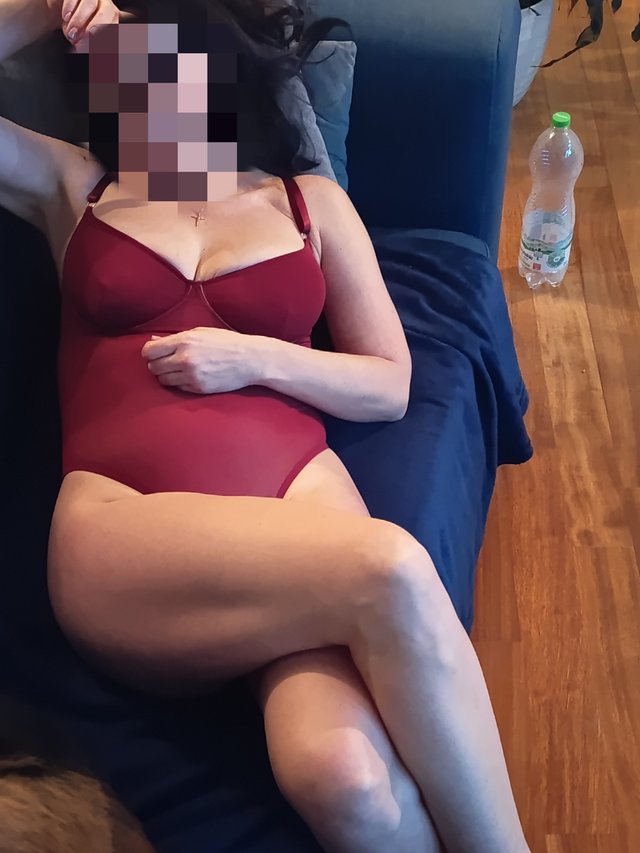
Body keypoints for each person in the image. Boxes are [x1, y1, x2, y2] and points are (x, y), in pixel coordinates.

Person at [0, 1, 532, 851]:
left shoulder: (309, 202)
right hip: (127, 523)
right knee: (391, 567)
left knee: (346, 778)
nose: (143, 84)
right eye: (122, 64)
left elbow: (389, 384)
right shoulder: (77, 186)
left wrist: (252, 358)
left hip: (294, 505)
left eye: (165, 59)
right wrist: (44, 7)